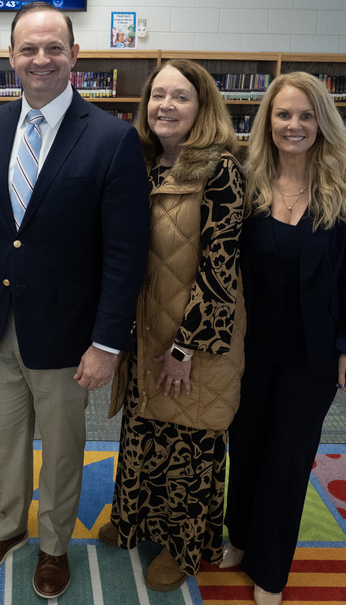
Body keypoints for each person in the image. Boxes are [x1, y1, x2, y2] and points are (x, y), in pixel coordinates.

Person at [0, 2, 150, 599]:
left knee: (64, 448)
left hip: (71, 332)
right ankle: (8, 526)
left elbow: (125, 254)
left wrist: (108, 342)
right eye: (28, 49)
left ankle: (56, 544)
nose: (41, 59)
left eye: (53, 47)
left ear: (74, 55)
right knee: (5, 437)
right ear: (11, 57)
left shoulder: (112, 139)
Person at [223, 71, 346, 605]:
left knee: (288, 459)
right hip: (249, 347)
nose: (294, 125)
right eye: (284, 114)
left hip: (313, 352)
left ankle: (270, 568)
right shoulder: (247, 179)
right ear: (268, 120)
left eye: (306, 115)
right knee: (245, 448)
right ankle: (239, 537)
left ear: (322, 123)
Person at [100, 60, 246, 591]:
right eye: (158, 95)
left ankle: (183, 546)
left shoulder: (222, 170)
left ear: (202, 106)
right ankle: (136, 519)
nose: (166, 105)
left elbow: (221, 265)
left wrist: (187, 346)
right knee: (143, 425)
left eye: (180, 97)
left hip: (195, 331)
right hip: (142, 323)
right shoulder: (135, 161)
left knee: (190, 433)